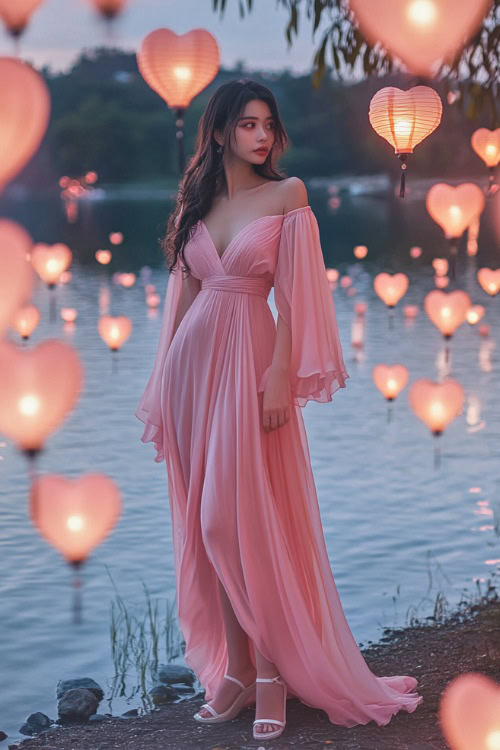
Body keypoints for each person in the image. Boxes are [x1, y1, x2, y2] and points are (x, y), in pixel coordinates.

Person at [136, 78, 423, 741]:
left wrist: (279, 377)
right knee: (207, 530)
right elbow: (180, 306)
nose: (263, 135)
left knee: (233, 525)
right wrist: (162, 390)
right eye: (248, 125)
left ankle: (270, 673)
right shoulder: (196, 206)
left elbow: (294, 301)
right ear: (218, 132)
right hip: (192, 375)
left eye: (269, 124)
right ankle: (235, 673)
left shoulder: (288, 196)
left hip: (252, 365)